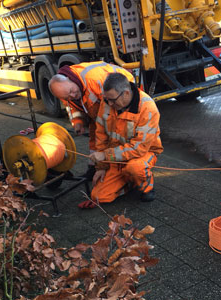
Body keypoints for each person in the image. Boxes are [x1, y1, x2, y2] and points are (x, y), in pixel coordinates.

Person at [78, 72, 163, 208]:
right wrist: (101, 166)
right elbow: (101, 136)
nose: (109, 104)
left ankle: (146, 187)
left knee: (135, 168)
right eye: (107, 99)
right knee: (98, 197)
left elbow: (139, 148)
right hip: (116, 157)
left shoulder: (148, 108)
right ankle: (128, 182)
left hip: (143, 154)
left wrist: (106, 155)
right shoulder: (107, 102)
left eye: (113, 100)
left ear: (126, 94)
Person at [48, 62, 134, 180]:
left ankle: (122, 167)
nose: (73, 95)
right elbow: (72, 106)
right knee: (96, 137)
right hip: (97, 110)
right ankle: (94, 167)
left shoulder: (94, 80)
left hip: (120, 97)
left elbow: (117, 98)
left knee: (116, 135)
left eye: (72, 90)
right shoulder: (65, 92)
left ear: (70, 79)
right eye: (68, 96)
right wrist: (78, 122)